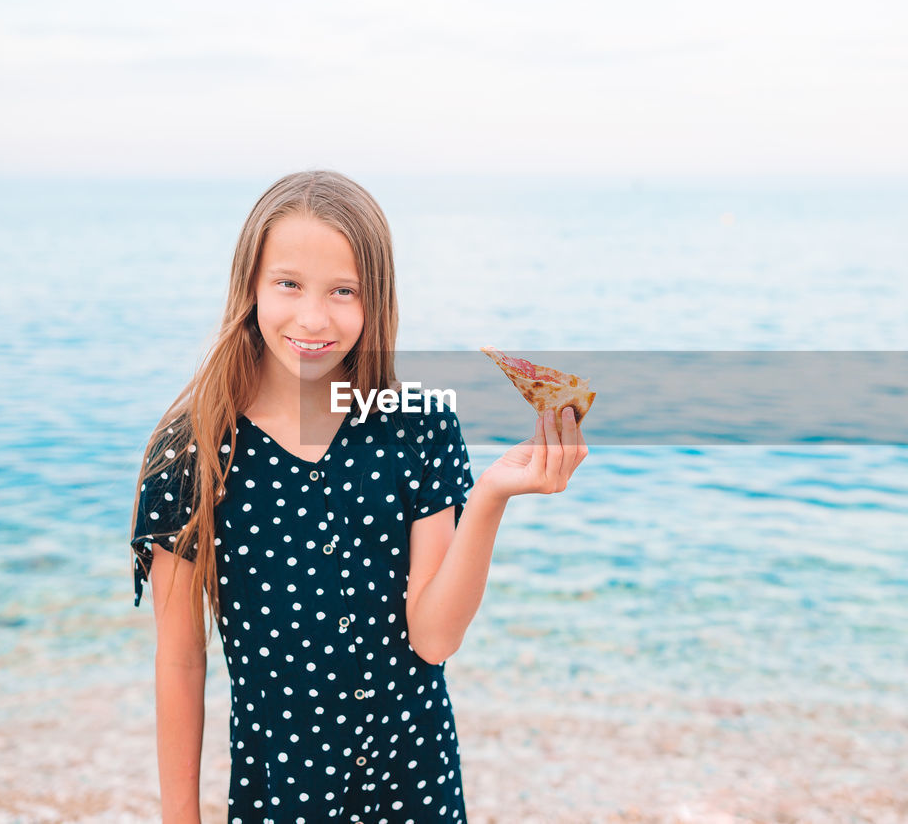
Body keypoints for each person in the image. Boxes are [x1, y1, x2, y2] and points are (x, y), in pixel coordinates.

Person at [127, 170, 588, 824]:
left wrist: (488, 498)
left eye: (344, 292)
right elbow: (179, 657)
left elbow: (433, 639)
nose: (313, 317)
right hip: (281, 796)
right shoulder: (193, 448)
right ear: (250, 285)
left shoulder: (419, 429)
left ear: (377, 302)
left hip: (417, 785)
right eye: (288, 284)